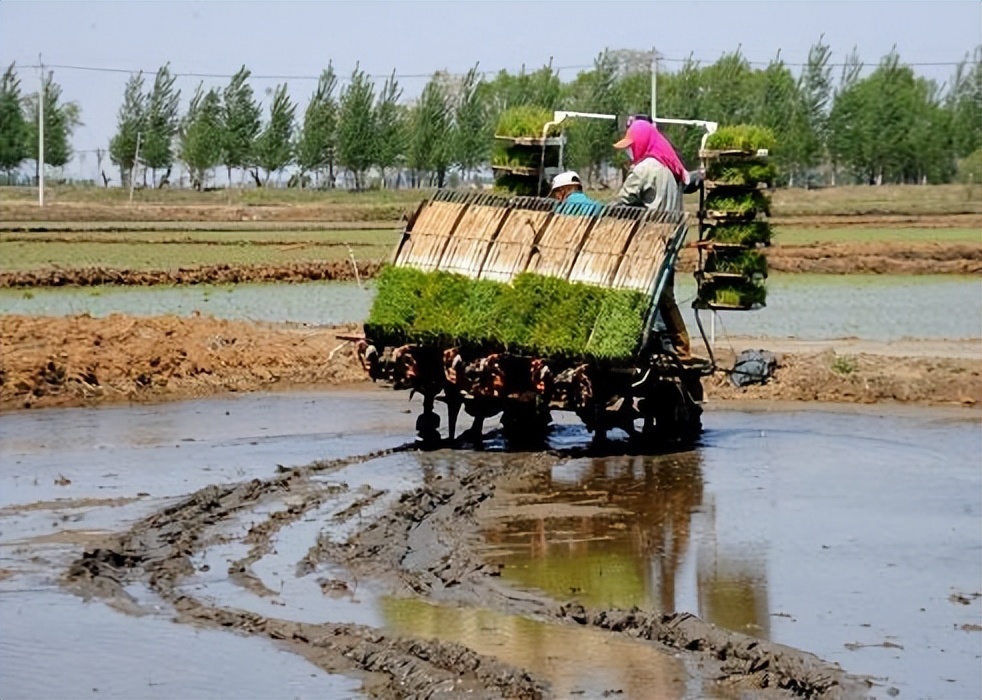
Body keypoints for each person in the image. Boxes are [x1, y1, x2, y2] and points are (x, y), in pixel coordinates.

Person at [611, 118, 699, 362]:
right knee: (665, 294)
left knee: (649, 295)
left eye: (631, 145)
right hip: (671, 240)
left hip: (650, 243)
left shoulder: (644, 169)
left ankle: (663, 345)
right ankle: (677, 346)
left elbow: (622, 202)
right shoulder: (671, 166)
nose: (629, 150)